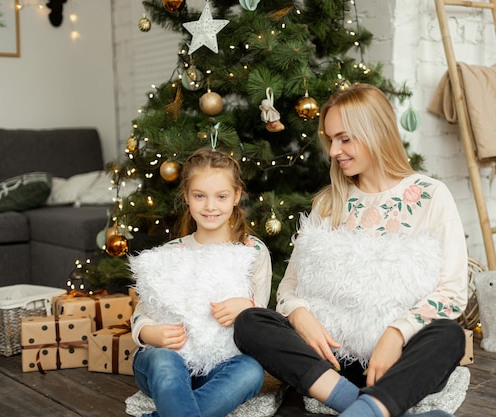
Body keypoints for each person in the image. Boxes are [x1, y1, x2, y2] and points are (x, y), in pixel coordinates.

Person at [234, 83, 468, 417]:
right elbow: (289, 287)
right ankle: (362, 406)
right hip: (331, 364)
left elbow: (454, 292)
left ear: (375, 132)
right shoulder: (329, 203)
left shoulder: (431, 195)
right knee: (250, 321)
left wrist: (395, 334)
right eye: (330, 140)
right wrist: (300, 316)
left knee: (448, 335)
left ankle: (365, 409)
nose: (333, 151)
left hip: (396, 362)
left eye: (344, 139)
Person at [130, 148, 273, 417]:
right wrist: (150, 333)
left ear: (236, 197)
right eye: (200, 196)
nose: (210, 206)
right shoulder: (171, 252)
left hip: (220, 364)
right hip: (168, 360)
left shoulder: (252, 251)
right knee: (164, 362)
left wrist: (247, 306)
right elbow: (141, 313)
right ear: (186, 197)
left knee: (251, 370)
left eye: (221, 196)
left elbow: (260, 317)